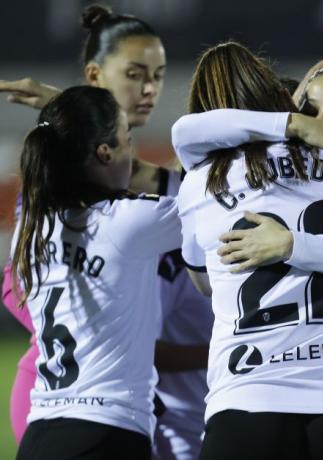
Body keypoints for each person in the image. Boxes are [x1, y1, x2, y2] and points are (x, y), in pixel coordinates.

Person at [175, 41, 323, 460]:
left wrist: (288, 243)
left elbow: (202, 280)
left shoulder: (197, 181)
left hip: (244, 398)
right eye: (312, 111)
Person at [0, 6, 212, 457]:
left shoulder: (56, 205)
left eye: (157, 74)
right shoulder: (122, 211)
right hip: (89, 396)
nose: (150, 89)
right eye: (135, 74)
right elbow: (11, 288)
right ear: (94, 75)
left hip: (131, 403)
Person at [11, 86, 181, 460]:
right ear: (105, 153)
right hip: (105, 431)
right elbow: (215, 203)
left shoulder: (33, 228)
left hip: (39, 432)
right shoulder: (129, 222)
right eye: (128, 140)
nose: (133, 156)